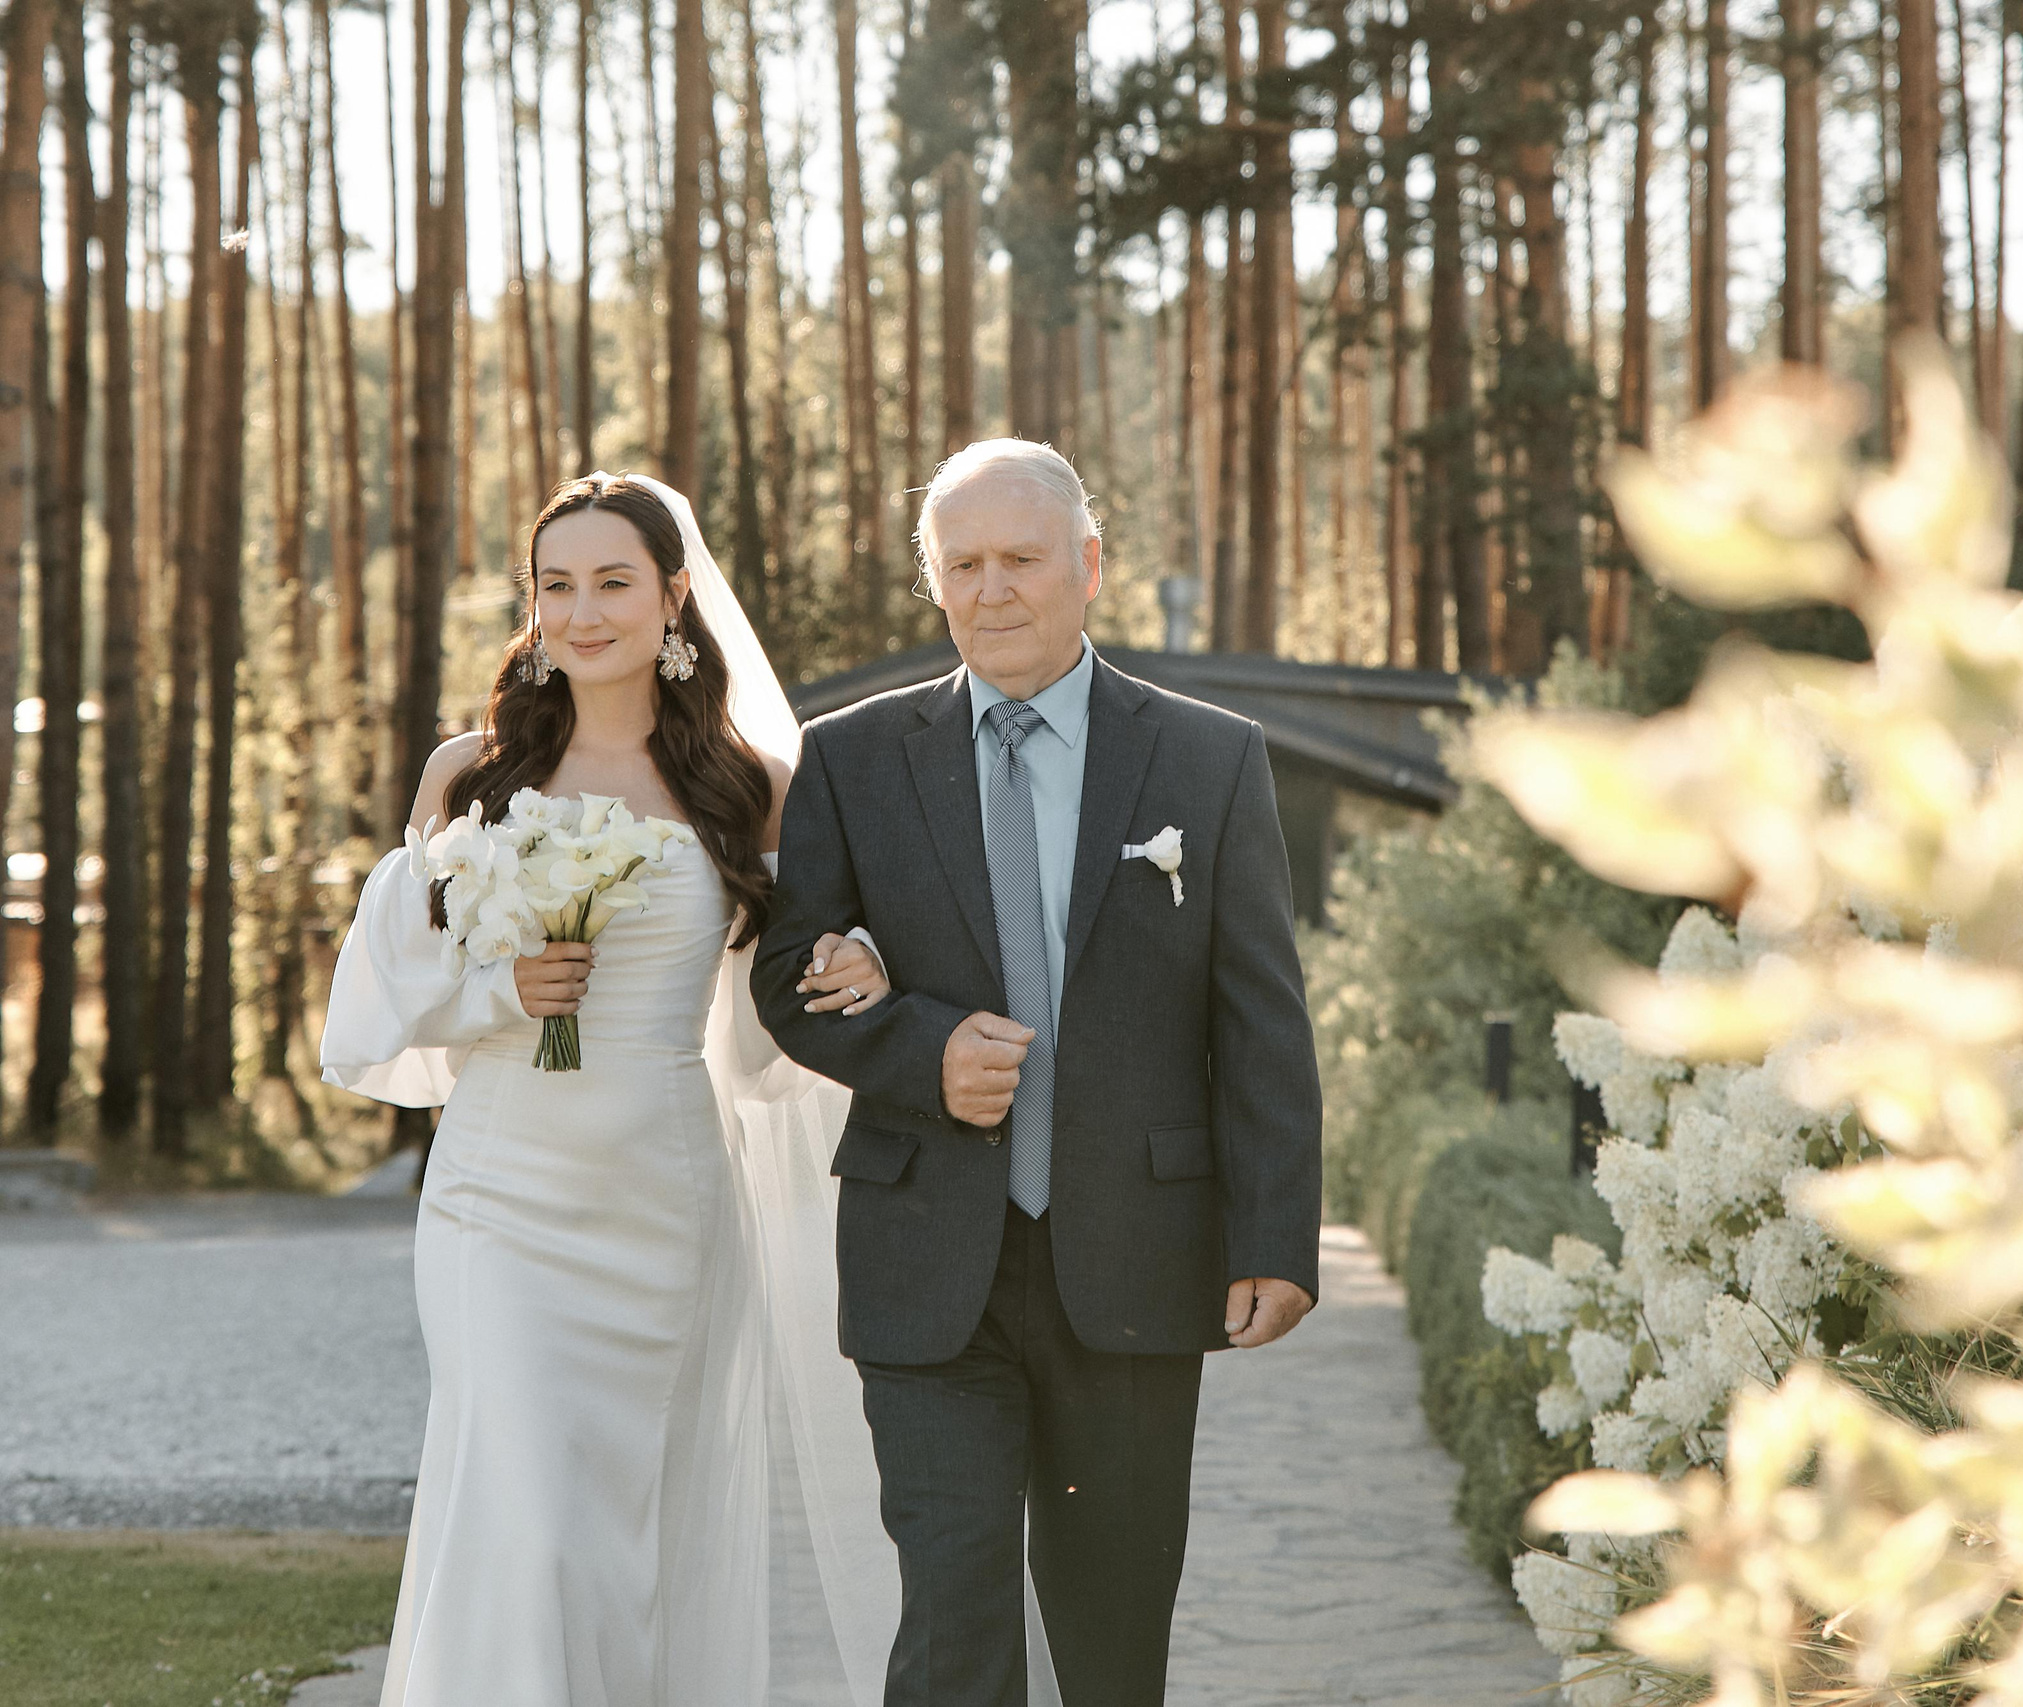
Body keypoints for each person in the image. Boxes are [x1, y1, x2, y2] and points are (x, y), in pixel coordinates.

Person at [318, 471, 976, 1705]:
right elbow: (387, 985)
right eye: (555, 585)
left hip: (665, 1206)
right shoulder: (474, 776)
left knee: (635, 1540)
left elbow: (791, 995)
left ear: (674, 597)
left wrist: (856, 960)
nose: (583, 612)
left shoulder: (751, 787)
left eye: (614, 582)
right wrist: (506, 996)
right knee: (525, 1523)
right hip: (498, 1201)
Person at [751, 438, 1326, 1707]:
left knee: (1113, 1638)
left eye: (1022, 559)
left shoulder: (1207, 758)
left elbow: (1261, 1019)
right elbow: (790, 973)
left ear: (1089, 566)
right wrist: (921, 1052)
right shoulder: (852, 757)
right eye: (964, 564)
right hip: (924, 1261)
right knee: (953, 1623)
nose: (993, 589)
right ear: (934, 582)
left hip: (1137, 1251)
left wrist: (1277, 1237)